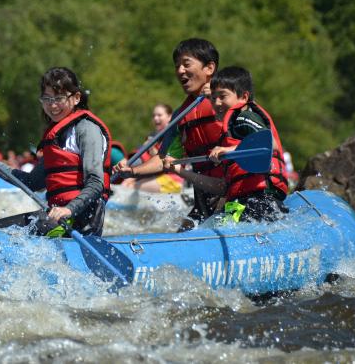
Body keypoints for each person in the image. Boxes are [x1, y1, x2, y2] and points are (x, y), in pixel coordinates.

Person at [0, 67, 112, 237]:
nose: (52, 105)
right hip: (58, 217)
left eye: (59, 98)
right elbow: (31, 182)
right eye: (47, 99)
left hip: (81, 220)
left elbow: (96, 183)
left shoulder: (87, 129)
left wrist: (69, 210)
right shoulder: (57, 136)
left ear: (76, 98)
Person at [113, 38, 224, 227]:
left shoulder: (230, 99)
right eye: (177, 66)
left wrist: (215, 95)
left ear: (209, 68)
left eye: (186, 64)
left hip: (235, 192)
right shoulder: (182, 114)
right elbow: (164, 158)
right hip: (204, 194)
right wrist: (132, 171)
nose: (180, 70)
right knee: (185, 230)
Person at [163, 66, 288, 222]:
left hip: (262, 200)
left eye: (222, 96)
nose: (217, 102)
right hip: (241, 203)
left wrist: (229, 150)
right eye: (213, 98)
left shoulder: (244, 117)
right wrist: (178, 170)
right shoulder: (227, 137)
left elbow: (270, 145)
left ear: (243, 97)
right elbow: (222, 188)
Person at [120, 104, 185, 193]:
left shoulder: (173, 136)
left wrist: (151, 148)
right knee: (126, 183)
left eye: (159, 115)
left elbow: (163, 161)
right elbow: (142, 157)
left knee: (129, 187)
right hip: (158, 176)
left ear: (170, 117)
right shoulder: (153, 137)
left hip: (173, 179)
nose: (155, 118)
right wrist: (126, 162)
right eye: (154, 115)